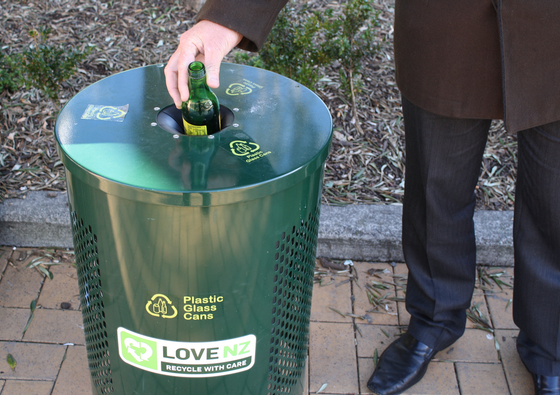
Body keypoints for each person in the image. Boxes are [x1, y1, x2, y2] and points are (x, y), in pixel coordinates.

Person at [164, 1, 560, 394]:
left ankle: (551, 349)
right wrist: (228, 18)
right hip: (449, 29)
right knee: (437, 193)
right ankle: (434, 321)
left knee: (554, 204)